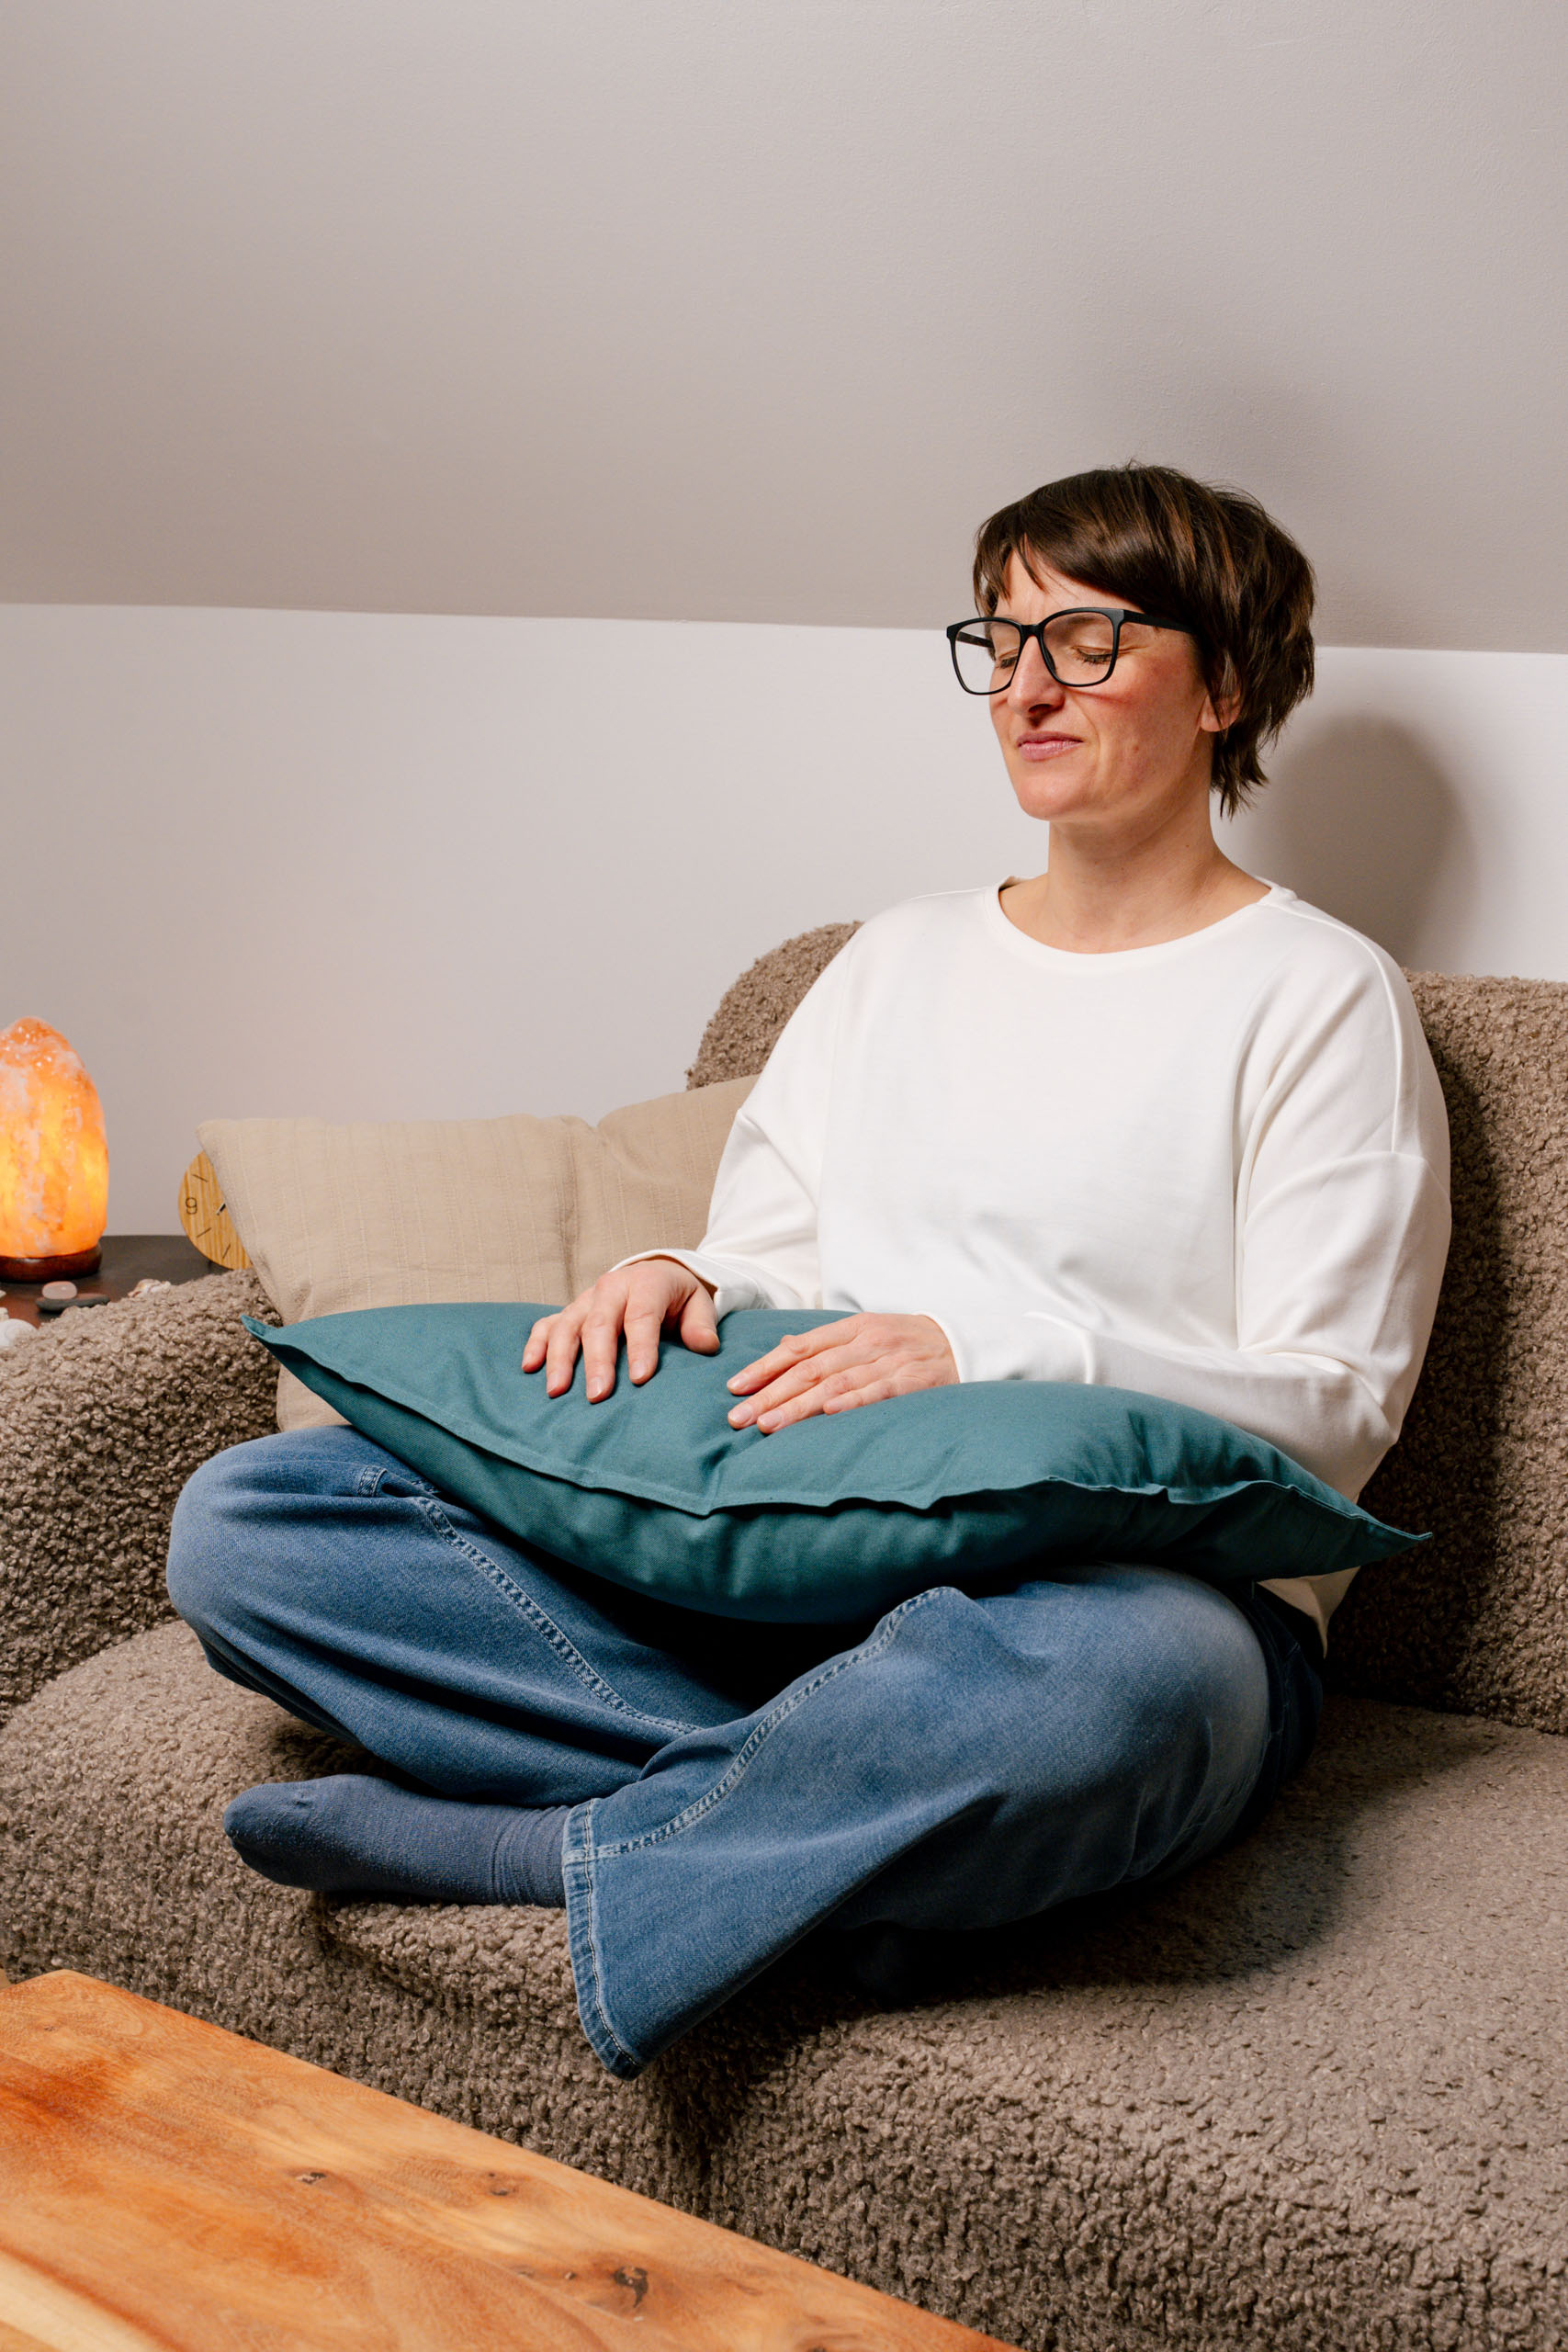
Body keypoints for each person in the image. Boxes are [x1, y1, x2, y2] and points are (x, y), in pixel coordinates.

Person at [168, 463, 1451, 2080]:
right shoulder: (894, 956)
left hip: (1120, 1606)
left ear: (1234, 685)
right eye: (1001, 640)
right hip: (799, 1558)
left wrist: (990, 1352)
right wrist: (671, 1274)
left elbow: (1333, 1413)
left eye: (1092, 638)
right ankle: (833, 1840)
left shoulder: (1321, 997)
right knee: (259, 1522)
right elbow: (771, 1252)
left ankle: (545, 1853)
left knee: (1116, 1704)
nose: (1030, 686)